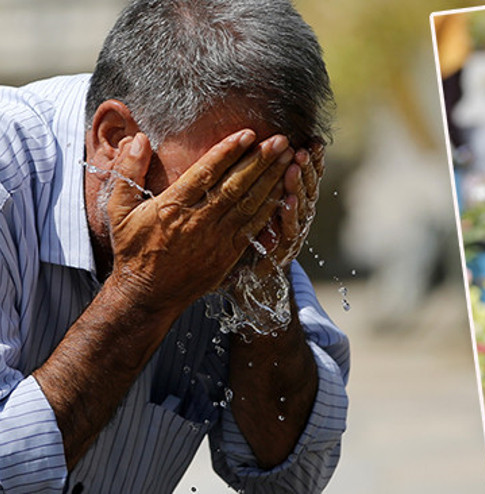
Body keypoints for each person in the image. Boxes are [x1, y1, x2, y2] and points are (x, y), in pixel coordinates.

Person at [0, 1, 349, 493]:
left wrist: (262, 289)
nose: (237, 225)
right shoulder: (8, 177)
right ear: (115, 138)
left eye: (268, 187)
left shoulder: (252, 228)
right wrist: (143, 294)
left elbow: (291, 477)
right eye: (220, 189)